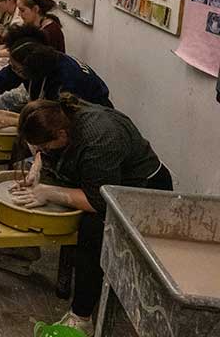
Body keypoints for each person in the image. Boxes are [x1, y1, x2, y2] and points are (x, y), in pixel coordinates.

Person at [10, 94, 172, 335]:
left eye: (44, 146)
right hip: (105, 180)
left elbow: (100, 201)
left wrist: (50, 192)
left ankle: (81, 316)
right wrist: (38, 167)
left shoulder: (100, 139)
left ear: (62, 136)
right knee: (44, 188)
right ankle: (22, 253)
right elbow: (48, 151)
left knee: (92, 228)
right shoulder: (60, 115)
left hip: (144, 192)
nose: (42, 151)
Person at [0, 24, 112, 126]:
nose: (10, 68)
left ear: (29, 71)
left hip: (94, 123)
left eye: (14, 66)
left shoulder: (67, 81)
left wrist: (14, 120)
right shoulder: (29, 61)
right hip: (60, 118)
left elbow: (59, 124)